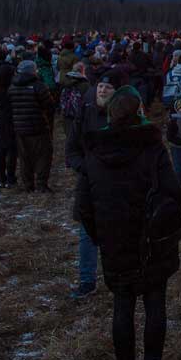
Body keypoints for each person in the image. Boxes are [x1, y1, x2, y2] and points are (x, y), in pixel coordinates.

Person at [76, 86, 181, 360]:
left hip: (119, 240)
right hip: (151, 240)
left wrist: (102, 235)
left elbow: (83, 206)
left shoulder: (95, 153)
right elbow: (174, 192)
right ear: (139, 112)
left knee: (123, 304)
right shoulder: (151, 148)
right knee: (153, 302)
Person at [66, 72, 117, 299]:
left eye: (108, 87)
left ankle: (118, 277)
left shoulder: (124, 117)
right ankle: (87, 280)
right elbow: (71, 149)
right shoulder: (86, 113)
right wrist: (86, 167)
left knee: (116, 233)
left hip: (116, 185)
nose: (102, 90)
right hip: (89, 184)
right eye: (100, 86)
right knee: (87, 232)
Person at [8, 59, 56, 192]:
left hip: (19, 128)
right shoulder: (38, 86)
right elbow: (50, 105)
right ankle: (41, 184)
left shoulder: (12, 86)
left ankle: (28, 185)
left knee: (25, 157)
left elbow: (9, 107)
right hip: (38, 128)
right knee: (43, 156)